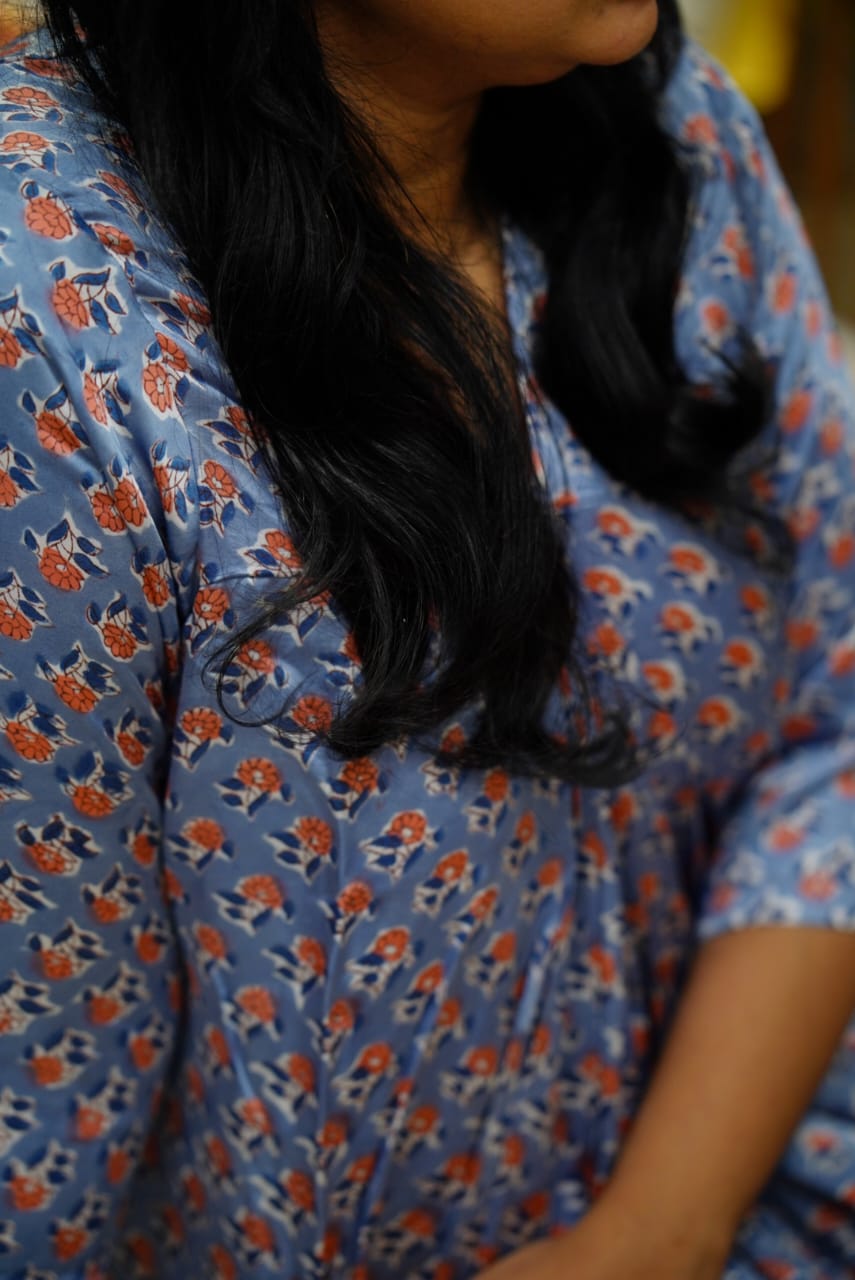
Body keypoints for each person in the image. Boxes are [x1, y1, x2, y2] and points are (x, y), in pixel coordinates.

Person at [0, 2, 853, 1277]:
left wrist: (657, 1230)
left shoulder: (668, 125)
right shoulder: (49, 322)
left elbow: (832, 716)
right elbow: (43, 1105)